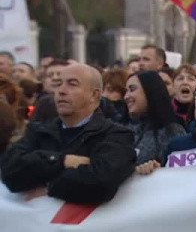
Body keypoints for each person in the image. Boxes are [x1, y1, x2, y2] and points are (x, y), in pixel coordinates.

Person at [0, 64, 136, 204]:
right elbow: (11, 170)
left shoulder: (115, 135)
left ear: (94, 95)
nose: (61, 91)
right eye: (59, 84)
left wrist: (49, 188)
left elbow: (100, 181)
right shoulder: (39, 131)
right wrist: (62, 161)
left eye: (72, 84)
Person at [124, 71, 185, 174]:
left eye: (132, 89)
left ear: (150, 91)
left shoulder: (172, 133)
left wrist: (157, 170)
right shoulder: (125, 130)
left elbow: (180, 176)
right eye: (126, 91)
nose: (126, 96)